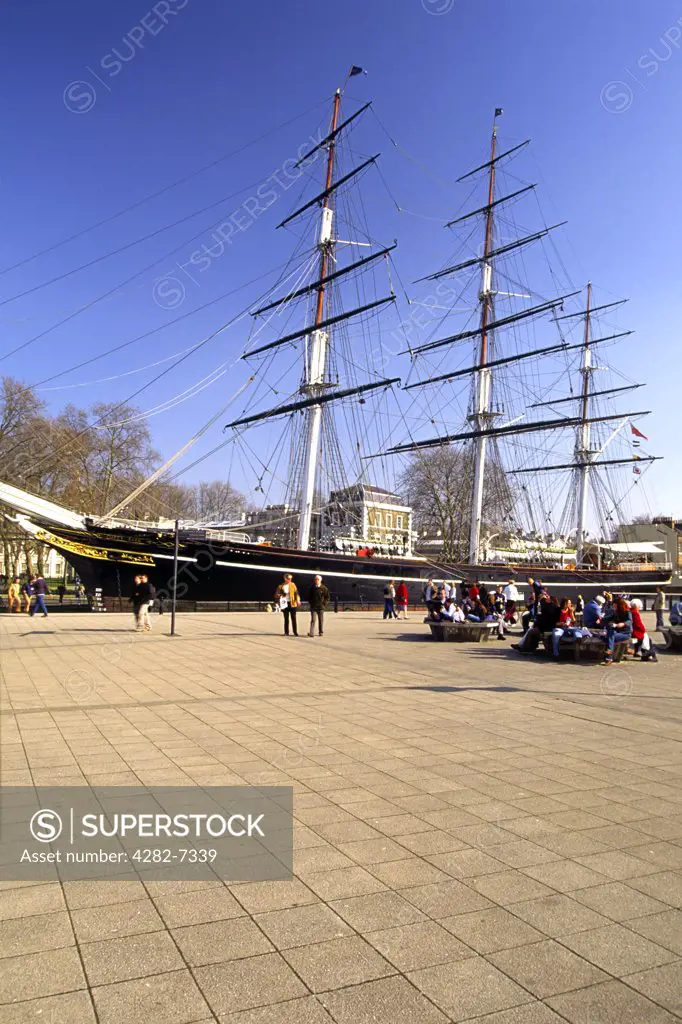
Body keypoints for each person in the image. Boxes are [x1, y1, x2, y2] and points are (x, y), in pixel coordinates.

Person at [602, 597, 632, 665]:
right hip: (617, 632)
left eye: (615, 605)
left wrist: (623, 624)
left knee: (609, 637)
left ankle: (609, 657)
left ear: (619, 605)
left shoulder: (627, 612)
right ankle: (609, 656)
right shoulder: (615, 612)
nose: (613, 606)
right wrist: (602, 619)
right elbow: (609, 618)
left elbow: (630, 621)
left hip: (625, 633)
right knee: (610, 634)